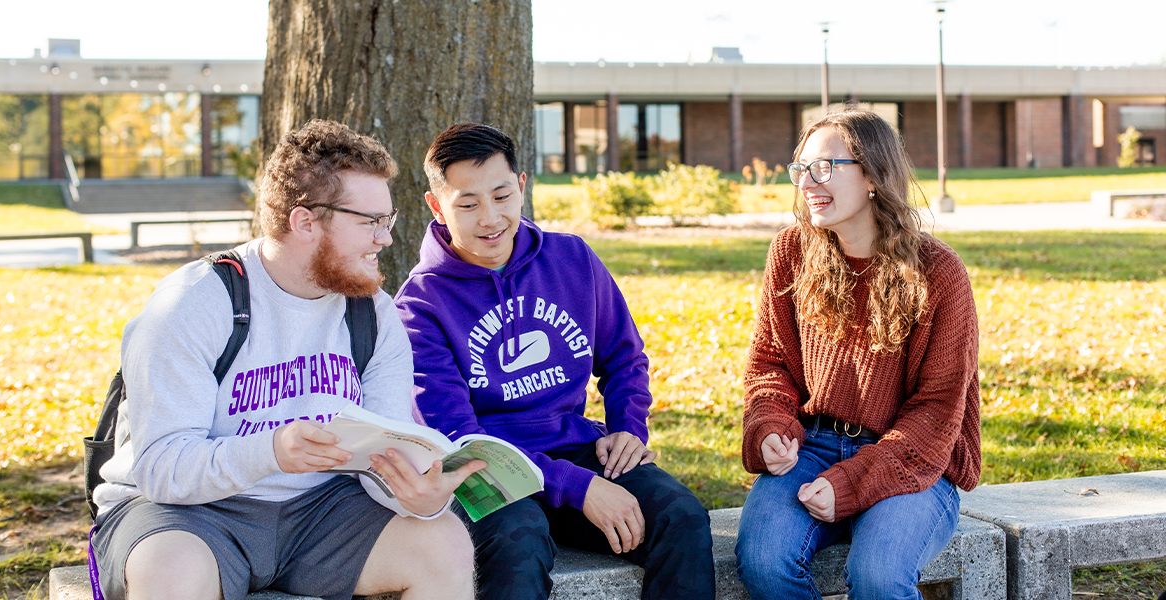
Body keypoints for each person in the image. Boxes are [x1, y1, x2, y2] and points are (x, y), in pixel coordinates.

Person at [90, 119, 483, 600]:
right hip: (190, 513)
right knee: (172, 574)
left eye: (388, 220)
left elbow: (385, 457)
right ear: (305, 222)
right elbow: (161, 469)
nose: (385, 239)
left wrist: (418, 498)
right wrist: (271, 451)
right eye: (369, 222)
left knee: (443, 544)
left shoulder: (374, 314)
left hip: (321, 510)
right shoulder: (194, 303)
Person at [394, 123, 715, 600]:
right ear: (437, 206)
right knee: (517, 540)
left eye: (502, 196)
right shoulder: (420, 305)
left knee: (681, 516)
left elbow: (624, 357)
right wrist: (579, 488)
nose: (490, 218)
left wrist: (628, 428)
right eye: (467, 204)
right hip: (483, 472)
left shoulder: (572, 258)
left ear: (522, 186)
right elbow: (458, 440)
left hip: (575, 449)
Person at [734, 109, 982, 600]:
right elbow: (770, 365)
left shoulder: (939, 272)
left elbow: (937, 412)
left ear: (872, 175)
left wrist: (853, 481)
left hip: (915, 461)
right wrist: (770, 428)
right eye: (801, 168)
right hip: (812, 448)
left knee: (878, 576)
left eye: (824, 167)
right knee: (764, 561)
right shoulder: (791, 252)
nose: (807, 182)